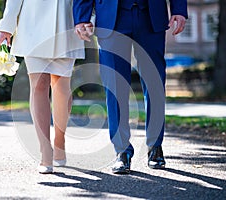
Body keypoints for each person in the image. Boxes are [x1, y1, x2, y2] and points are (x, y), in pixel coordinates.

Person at [73, 0, 187, 173]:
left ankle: (155, 146)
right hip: (112, 18)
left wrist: (179, 9)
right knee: (114, 86)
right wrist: (82, 16)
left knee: (154, 84)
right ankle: (121, 151)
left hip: (150, 15)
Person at [0, 0, 89, 174]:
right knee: (38, 86)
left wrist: (87, 18)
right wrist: (6, 26)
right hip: (32, 25)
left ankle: (59, 141)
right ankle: (45, 151)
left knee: (62, 88)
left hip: (66, 23)